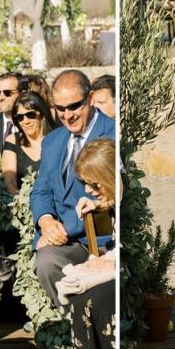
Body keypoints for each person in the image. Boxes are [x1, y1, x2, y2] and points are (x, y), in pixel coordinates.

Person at [31, 69, 116, 309]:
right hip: (65, 242)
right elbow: (41, 191)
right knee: (46, 262)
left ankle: (90, 329)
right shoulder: (53, 141)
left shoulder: (112, 134)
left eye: (73, 107)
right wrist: (46, 222)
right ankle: (73, 325)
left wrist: (58, 232)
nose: (67, 115)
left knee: (48, 259)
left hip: (102, 240)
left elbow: (114, 194)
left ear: (90, 99)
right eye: (60, 108)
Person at [54, 137, 117, 349]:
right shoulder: (109, 199)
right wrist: (100, 204)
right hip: (111, 259)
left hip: (121, 267)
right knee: (79, 296)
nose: (88, 190)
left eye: (93, 184)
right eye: (85, 184)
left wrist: (110, 261)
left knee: (96, 301)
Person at [2, 91, 53, 194]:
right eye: (20, 117)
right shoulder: (12, 141)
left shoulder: (56, 140)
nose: (25, 121)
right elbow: (10, 181)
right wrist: (21, 203)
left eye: (30, 114)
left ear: (42, 114)